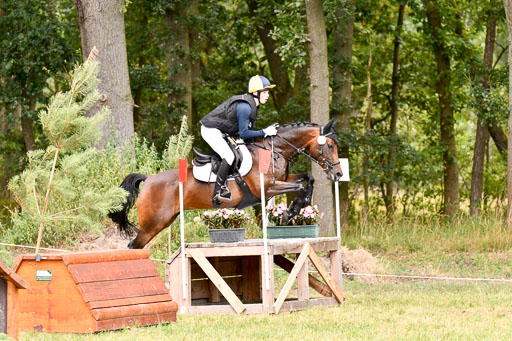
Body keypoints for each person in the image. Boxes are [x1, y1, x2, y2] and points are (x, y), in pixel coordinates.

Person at [200, 75, 278, 207]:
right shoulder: (245, 107)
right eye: (264, 92)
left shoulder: (253, 106)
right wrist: (264, 132)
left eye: (268, 92)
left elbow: (247, 136)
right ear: (255, 92)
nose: (267, 95)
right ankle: (218, 192)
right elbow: (244, 133)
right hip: (210, 130)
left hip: (222, 131)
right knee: (229, 156)